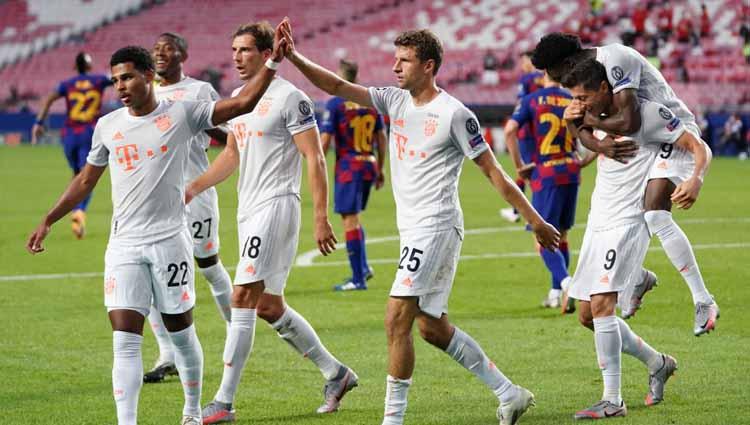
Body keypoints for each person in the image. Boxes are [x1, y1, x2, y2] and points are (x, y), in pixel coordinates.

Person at [280, 19, 560, 425]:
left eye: (405, 60)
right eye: (395, 59)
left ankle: (392, 419)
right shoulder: (394, 101)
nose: (396, 67)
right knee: (430, 327)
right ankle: (509, 393)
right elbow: (338, 88)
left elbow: (493, 172)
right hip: (413, 229)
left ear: (428, 66)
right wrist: (292, 56)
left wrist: (533, 219)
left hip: (437, 226)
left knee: (396, 316)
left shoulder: (454, 114)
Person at [26, 39, 283, 425]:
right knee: (125, 340)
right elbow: (85, 180)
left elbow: (241, 106)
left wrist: (274, 62)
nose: (121, 86)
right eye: (115, 80)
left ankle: (191, 412)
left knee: (181, 334)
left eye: (128, 77)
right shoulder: (108, 126)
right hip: (124, 246)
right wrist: (49, 218)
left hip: (170, 244)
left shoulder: (182, 113)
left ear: (148, 75)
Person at [185, 22, 357, 424]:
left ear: (267, 54)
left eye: (245, 50)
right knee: (267, 305)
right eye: (233, 50)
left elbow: (314, 158)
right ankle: (337, 374)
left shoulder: (290, 98)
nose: (236, 57)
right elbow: (232, 155)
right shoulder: (239, 99)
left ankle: (223, 403)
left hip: (277, 206)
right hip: (249, 210)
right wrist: (192, 187)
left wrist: (321, 218)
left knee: (242, 296)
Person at [531, 33, 719, 336]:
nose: (548, 78)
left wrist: (589, 124)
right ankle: (635, 278)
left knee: (655, 213)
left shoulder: (615, 59)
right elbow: (587, 135)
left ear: (565, 63)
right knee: (621, 217)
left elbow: (630, 121)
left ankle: (703, 300)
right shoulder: (587, 84)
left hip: (671, 134)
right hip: (641, 142)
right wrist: (586, 133)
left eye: (549, 71)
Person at [561, 58, 710, 420]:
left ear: (604, 88)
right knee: (586, 315)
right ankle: (657, 363)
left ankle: (613, 399)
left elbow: (694, 143)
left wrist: (694, 179)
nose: (580, 103)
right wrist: (575, 125)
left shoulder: (645, 115)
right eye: (575, 98)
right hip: (599, 218)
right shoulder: (592, 115)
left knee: (602, 306)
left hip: (629, 219)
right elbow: (583, 149)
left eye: (584, 96)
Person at [139, 32, 234, 384]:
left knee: (207, 265)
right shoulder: (144, 93)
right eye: (156, 49)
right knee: (149, 271)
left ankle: (236, 331)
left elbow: (227, 139)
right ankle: (167, 354)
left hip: (194, 196)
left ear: (183, 54)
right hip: (154, 200)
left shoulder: (199, 92)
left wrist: (206, 178)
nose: (160, 54)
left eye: (168, 49)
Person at [504, 72, 589, 312]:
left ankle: (567, 283)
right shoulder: (574, 100)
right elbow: (593, 136)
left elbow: (510, 130)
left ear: (543, 75)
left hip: (546, 173)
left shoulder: (532, 99)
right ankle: (555, 294)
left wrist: (520, 165)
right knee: (561, 236)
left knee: (541, 237)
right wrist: (583, 160)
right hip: (571, 172)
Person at [320, 59, 387, 291]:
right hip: (368, 165)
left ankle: (357, 279)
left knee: (349, 219)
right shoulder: (370, 102)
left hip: (348, 168)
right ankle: (364, 268)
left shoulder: (335, 104)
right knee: (354, 218)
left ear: (340, 75)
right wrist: (381, 167)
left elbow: (325, 140)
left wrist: (314, 157)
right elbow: (382, 137)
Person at [31, 52, 112, 239]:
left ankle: (76, 208)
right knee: (86, 176)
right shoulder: (98, 80)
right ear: (90, 66)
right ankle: (79, 211)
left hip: (69, 134)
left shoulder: (66, 84)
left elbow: (49, 99)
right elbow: (116, 78)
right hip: (90, 132)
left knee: (77, 174)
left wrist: (39, 122)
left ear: (75, 67)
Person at [499, 51, 544, 223]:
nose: (522, 64)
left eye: (524, 61)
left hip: (526, 130)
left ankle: (521, 210)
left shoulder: (526, 79)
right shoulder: (545, 78)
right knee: (537, 167)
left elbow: (521, 103)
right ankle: (520, 209)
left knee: (525, 169)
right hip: (542, 131)